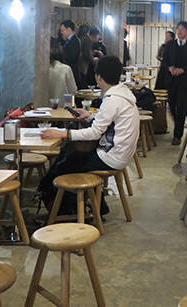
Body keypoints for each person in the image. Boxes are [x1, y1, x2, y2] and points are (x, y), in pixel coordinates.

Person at [40, 56, 140, 214]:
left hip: (111, 157)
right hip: (121, 154)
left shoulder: (112, 99)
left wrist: (63, 133)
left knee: (63, 166)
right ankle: (97, 207)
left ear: (99, 77)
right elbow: (111, 122)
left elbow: (94, 133)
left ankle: (67, 211)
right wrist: (90, 115)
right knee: (70, 156)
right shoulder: (123, 94)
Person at [163, 21, 187, 145]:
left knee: (181, 107)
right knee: (171, 105)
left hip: (184, 81)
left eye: (182, 29)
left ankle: (177, 135)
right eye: (178, 29)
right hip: (171, 80)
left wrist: (183, 70)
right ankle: (178, 124)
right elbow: (164, 61)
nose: (179, 31)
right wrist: (170, 68)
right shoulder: (170, 45)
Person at [49, 38, 78, 104]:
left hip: (45, 107)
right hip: (65, 105)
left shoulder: (42, 70)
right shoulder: (66, 69)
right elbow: (73, 91)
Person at [59, 20, 81, 86]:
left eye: (62, 30)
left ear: (68, 29)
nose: (61, 32)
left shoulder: (74, 41)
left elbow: (72, 57)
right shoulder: (69, 40)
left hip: (72, 72)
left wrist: (60, 53)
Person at [77, 24, 93, 89]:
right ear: (88, 31)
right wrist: (93, 60)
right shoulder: (87, 38)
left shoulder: (77, 37)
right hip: (84, 65)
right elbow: (87, 53)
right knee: (84, 84)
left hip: (77, 64)